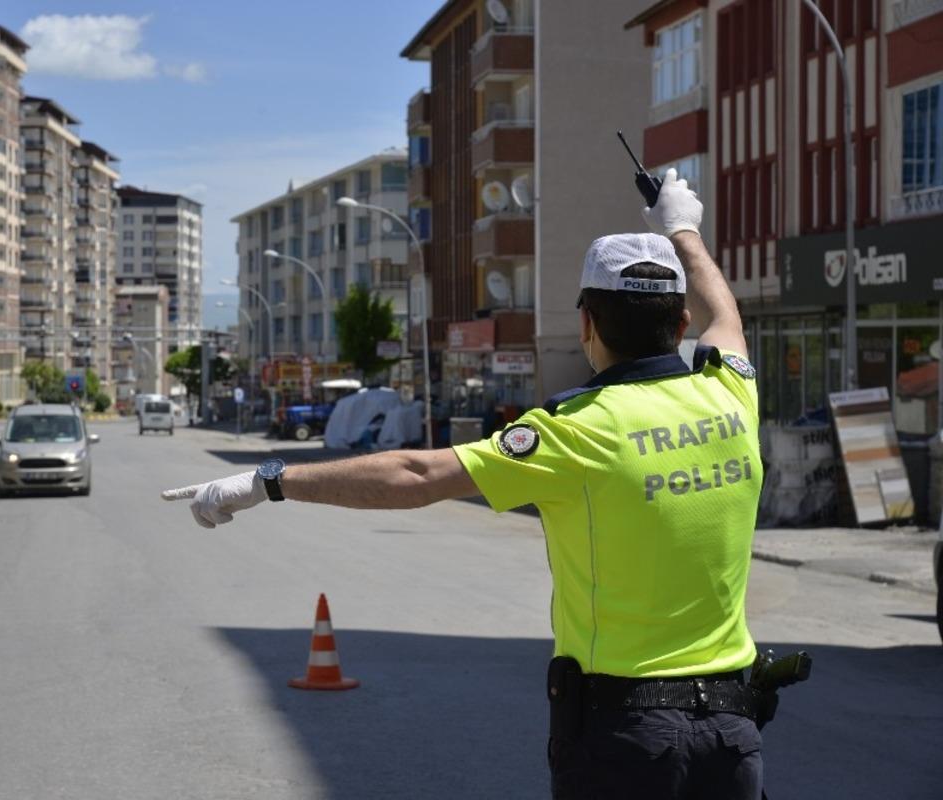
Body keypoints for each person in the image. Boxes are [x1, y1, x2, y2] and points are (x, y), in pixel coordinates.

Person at [162, 169, 763, 800]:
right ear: (681, 321)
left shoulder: (579, 429)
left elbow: (416, 475)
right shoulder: (731, 391)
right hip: (732, 733)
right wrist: (682, 229)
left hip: (628, 737)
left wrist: (269, 480)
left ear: (587, 324)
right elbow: (728, 317)